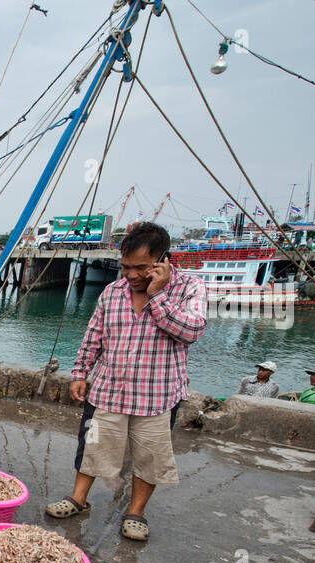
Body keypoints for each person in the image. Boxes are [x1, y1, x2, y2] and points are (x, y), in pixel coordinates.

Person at [44, 221, 207, 542]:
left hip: (157, 395)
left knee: (150, 456)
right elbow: (94, 336)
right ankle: (78, 499)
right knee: (92, 446)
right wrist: (80, 373)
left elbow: (192, 331)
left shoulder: (190, 287)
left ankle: (136, 512)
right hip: (107, 390)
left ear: (163, 260)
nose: (131, 275)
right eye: (126, 267)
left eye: (141, 268)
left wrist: (157, 296)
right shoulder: (112, 291)